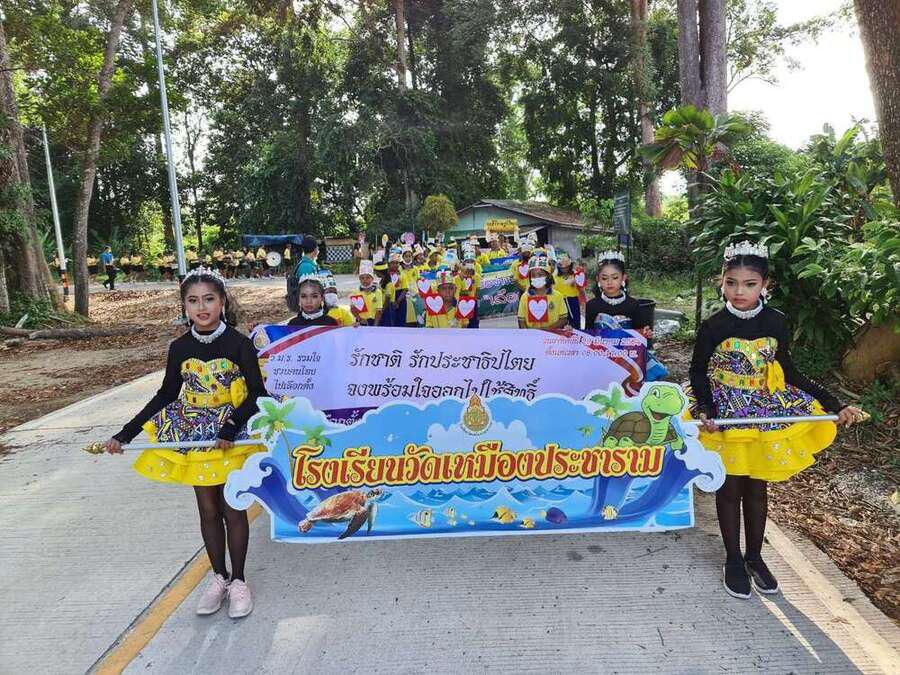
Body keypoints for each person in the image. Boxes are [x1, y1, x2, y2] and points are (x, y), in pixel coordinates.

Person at [687, 241, 866, 600]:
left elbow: (791, 371)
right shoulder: (714, 325)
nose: (739, 291)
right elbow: (697, 371)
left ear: (765, 285)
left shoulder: (775, 321)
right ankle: (733, 559)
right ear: (722, 282)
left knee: (757, 487)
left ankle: (755, 557)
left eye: (749, 284)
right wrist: (706, 408)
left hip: (763, 411)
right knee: (729, 487)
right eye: (731, 282)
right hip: (725, 412)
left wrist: (835, 403)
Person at [104, 267, 265, 619]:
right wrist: (125, 433)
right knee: (207, 509)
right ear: (184, 306)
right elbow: (165, 395)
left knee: (232, 508)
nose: (201, 307)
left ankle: (239, 580)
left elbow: (257, 393)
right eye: (193, 301)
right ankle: (219, 577)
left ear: (222, 302)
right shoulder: (180, 348)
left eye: (209, 299)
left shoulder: (239, 344)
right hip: (194, 434)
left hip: (230, 436)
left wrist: (231, 426)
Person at [585, 250, 666, 380]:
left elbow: (640, 334)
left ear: (623, 278)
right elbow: (588, 335)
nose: (609, 282)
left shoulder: (633, 304)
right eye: (604, 278)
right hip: (602, 359)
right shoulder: (592, 305)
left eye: (615, 277)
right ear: (598, 279)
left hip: (629, 360)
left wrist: (646, 333)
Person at [517, 252, 568, 329]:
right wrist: (528, 333)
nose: (536, 277)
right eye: (533, 275)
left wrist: (547, 330)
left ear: (548, 276)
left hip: (552, 334)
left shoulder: (557, 296)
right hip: (532, 334)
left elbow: (563, 318)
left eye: (540, 275)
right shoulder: (525, 297)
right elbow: (521, 320)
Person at [351, 260, 384, 326]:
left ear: (372, 279)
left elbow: (379, 311)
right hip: (360, 321)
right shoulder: (356, 292)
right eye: (362, 278)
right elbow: (352, 309)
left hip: (374, 321)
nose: (365, 280)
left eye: (368, 278)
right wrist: (360, 319)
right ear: (359, 279)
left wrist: (375, 325)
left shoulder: (377, 292)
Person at [457, 244, 481, 329]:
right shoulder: (460, 275)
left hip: (472, 301)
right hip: (461, 301)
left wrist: (475, 301)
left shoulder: (477, 276)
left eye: (471, 261)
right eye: (467, 262)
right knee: (463, 323)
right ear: (464, 263)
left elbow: (477, 289)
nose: (469, 264)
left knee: (473, 322)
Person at [555, 252, 581, 329]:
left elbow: (581, 285)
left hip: (572, 301)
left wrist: (575, 282)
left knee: (574, 322)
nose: (564, 269)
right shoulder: (555, 276)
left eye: (566, 267)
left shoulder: (575, 275)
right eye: (562, 268)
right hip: (560, 301)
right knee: (561, 322)